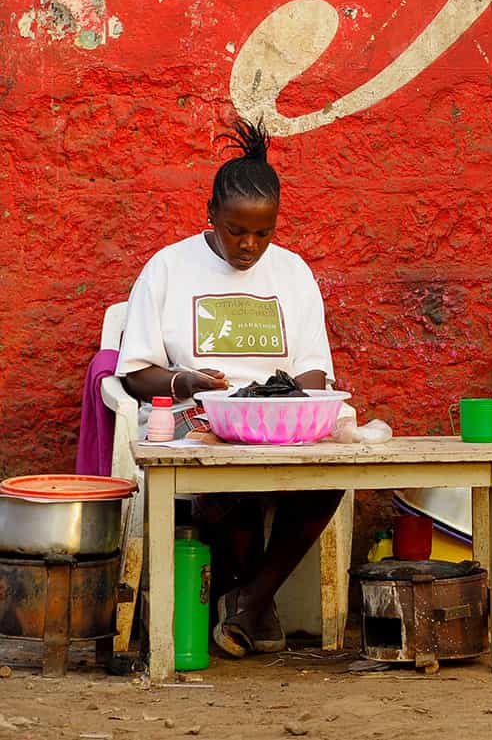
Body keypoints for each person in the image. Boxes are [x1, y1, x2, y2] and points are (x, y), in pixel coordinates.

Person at [116, 118, 343, 658]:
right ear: (211, 214)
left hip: (275, 421)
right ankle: (255, 608)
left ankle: (246, 602)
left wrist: (289, 402)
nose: (249, 246)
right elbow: (134, 372)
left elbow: (314, 372)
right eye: (236, 231)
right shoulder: (168, 268)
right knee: (224, 476)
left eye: (263, 233)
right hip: (197, 418)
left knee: (333, 472)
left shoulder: (293, 273)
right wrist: (184, 379)